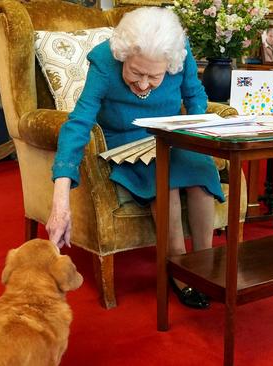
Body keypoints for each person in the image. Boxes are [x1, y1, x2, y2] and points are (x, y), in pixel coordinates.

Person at [46, 7, 221, 310]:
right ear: (123, 55)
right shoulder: (104, 60)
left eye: (154, 76)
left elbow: (195, 98)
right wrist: (60, 198)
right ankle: (178, 271)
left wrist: (198, 134)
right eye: (135, 73)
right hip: (125, 142)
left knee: (201, 178)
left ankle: (203, 265)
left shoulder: (180, 52)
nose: (143, 85)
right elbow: (79, 122)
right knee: (165, 184)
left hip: (172, 136)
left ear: (170, 64)